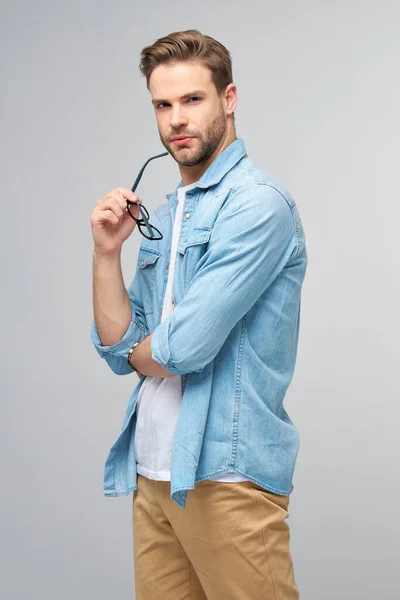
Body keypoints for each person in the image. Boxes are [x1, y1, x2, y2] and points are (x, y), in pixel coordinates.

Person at [90, 28, 307, 600]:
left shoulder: (257, 205)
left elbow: (181, 350)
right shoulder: (166, 213)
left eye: (192, 100)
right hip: (154, 474)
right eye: (163, 105)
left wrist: (145, 352)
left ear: (228, 99)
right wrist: (107, 253)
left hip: (225, 478)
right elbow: (119, 348)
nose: (176, 120)